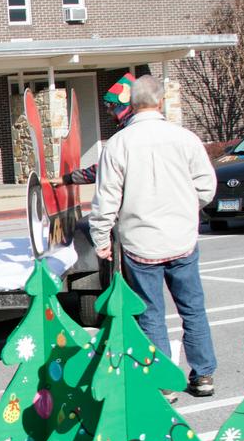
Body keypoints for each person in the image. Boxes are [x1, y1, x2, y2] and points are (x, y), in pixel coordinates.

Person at [88, 74, 218, 401]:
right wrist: (188, 209)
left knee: (150, 313)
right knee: (193, 308)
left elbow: (106, 199)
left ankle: (163, 382)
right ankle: (203, 375)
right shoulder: (186, 138)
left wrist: (101, 237)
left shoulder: (118, 144)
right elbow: (206, 187)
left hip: (139, 240)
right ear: (159, 101)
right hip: (182, 237)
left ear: (131, 105)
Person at [63, 72, 137, 185]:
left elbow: (106, 168)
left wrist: (68, 179)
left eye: (110, 105)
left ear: (123, 106)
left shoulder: (129, 134)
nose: (107, 111)